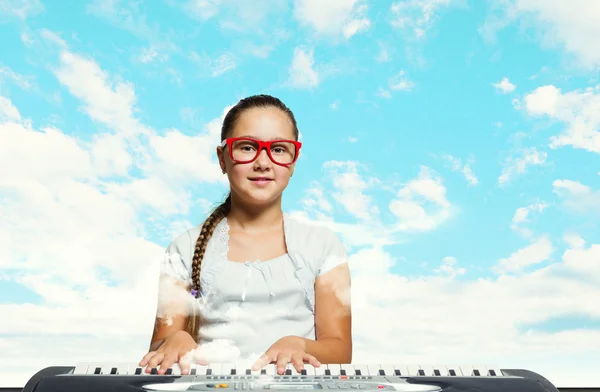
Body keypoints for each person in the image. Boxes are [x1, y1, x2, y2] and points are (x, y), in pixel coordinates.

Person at [139, 94, 352, 376]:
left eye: (278, 149)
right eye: (247, 147)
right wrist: (174, 340)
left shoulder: (324, 247)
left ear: (294, 160)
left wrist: (300, 344)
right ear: (222, 158)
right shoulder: (184, 248)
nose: (262, 162)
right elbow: (160, 345)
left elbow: (340, 349)